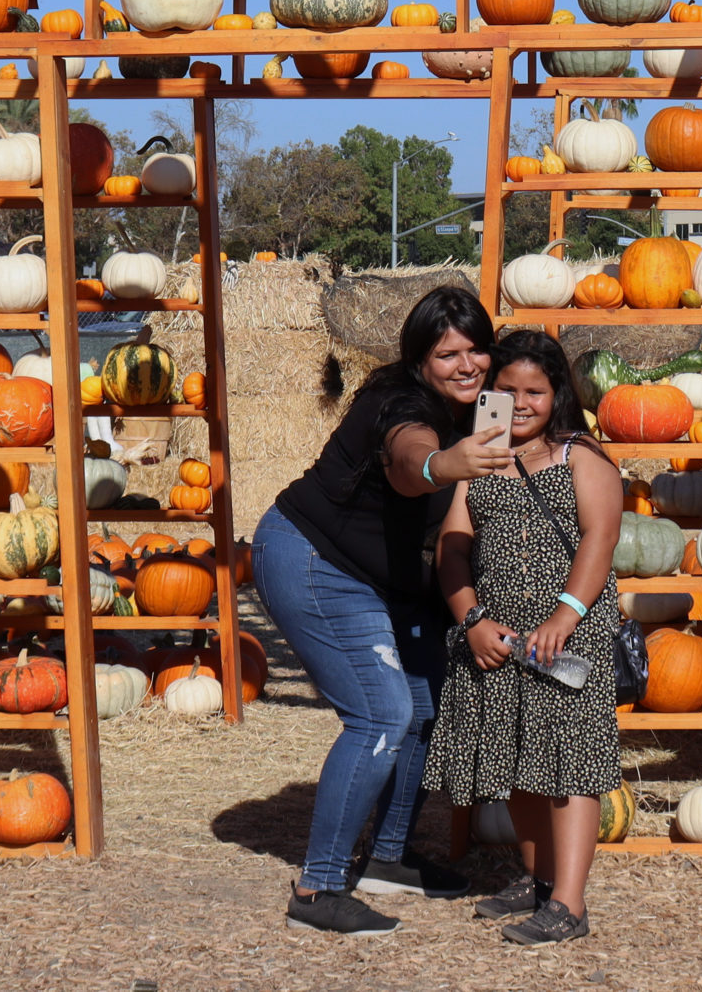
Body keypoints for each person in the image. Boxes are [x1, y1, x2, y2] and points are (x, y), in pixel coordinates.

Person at [253, 284, 512, 937]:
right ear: (420, 358)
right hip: (315, 561)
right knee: (380, 715)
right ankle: (319, 889)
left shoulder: (484, 408)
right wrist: (445, 463)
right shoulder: (394, 403)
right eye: (448, 353)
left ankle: (388, 857)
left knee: (426, 706)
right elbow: (407, 460)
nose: (467, 364)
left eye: (476, 350)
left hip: (389, 577)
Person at [425, 329, 622, 947]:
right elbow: (452, 551)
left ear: (556, 393)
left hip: (566, 637)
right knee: (520, 761)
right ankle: (539, 880)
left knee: (569, 767)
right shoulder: (478, 457)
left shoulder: (578, 456)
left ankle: (569, 903)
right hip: (502, 637)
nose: (522, 401)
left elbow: (599, 539)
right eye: (507, 389)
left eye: (535, 390)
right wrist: (471, 619)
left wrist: (564, 616)